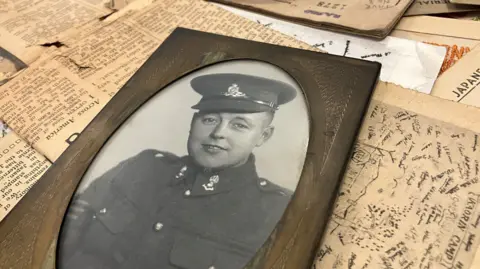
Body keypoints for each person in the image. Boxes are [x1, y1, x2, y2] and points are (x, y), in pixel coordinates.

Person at [58, 73, 298, 269]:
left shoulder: (276, 209)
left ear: (263, 136)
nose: (219, 133)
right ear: (193, 122)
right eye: (209, 119)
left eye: (239, 125)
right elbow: (66, 231)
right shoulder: (143, 166)